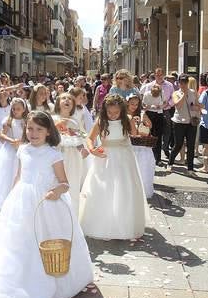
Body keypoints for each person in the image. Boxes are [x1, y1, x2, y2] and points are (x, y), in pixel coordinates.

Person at [0, 111, 93, 298]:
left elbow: (64, 183)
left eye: (39, 129)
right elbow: (19, 175)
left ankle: (51, 280)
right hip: (22, 200)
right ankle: (19, 279)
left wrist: (56, 191)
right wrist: (10, 197)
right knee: (20, 240)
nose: (33, 133)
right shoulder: (23, 150)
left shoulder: (53, 154)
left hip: (46, 202)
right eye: (30, 128)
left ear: (48, 131)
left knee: (45, 239)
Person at [80, 94, 148, 240]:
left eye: (116, 113)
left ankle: (122, 223)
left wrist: (139, 124)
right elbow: (90, 138)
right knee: (105, 188)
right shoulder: (101, 121)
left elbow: (135, 134)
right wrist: (92, 150)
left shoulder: (127, 120)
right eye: (109, 112)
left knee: (123, 189)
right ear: (105, 110)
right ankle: (104, 223)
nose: (112, 115)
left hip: (124, 158)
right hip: (105, 157)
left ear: (122, 110)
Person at [0, 97, 28, 211]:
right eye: (13, 109)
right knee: (8, 173)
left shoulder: (26, 121)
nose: (15, 111)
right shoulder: (8, 120)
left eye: (18, 109)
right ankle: (6, 198)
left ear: (23, 109)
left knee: (21, 172)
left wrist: (23, 141)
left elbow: (28, 135)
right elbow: (2, 135)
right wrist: (12, 140)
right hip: (10, 149)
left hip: (23, 147)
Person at [53, 93, 88, 211]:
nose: (67, 100)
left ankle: (72, 214)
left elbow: (80, 137)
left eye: (70, 99)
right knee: (56, 182)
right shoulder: (52, 119)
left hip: (72, 156)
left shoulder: (75, 121)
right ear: (58, 102)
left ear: (73, 105)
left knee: (72, 184)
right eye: (63, 98)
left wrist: (82, 148)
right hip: (57, 155)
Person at [167, 74, 200, 175]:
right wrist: (183, 95)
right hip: (179, 122)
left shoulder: (193, 92)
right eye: (181, 83)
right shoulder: (176, 93)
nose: (183, 85)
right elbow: (178, 105)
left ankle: (190, 169)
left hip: (191, 122)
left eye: (185, 82)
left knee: (191, 146)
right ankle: (170, 164)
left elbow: (198, 105)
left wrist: (196, 107)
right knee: (178, 144)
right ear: (179, 83)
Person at [140, 67, 174, 164]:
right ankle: (148, 156)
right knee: (147, 134)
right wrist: (148, 107)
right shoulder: (148, 86)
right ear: (154, 75)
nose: (158, 76)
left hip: (164, 112)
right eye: (157, 74)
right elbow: (143, 100)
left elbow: (172, 97)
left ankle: (160, 155)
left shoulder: (169, 85)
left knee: (163, 133)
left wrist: (166, 105)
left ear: (163, 74)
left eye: (160, 74)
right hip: (149, 114)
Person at [126, 94, 155, 199]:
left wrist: (144, 122)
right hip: (129, 143)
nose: (134, 106)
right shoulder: (124, 114)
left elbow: (150, 125)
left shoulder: (142, 113)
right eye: (132, 104)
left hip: (141, 143)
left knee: (143, 166)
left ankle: (141, 189)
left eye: (136, 104)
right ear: (127, 103)